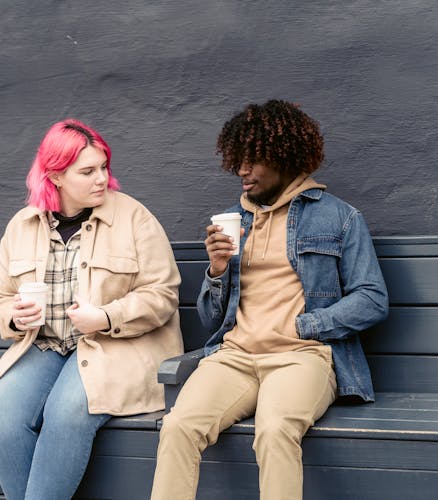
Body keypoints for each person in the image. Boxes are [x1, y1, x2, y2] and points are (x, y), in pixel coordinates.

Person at [151, 100, 389, 500]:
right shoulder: (232, 220)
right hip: (234, 358)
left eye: (253, 160)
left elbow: (372, 299)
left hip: (302, 357)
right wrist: (217, 270)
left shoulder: (339, 217)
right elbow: (211, 320)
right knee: (177, 427)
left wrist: (304, 325)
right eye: (238, 160)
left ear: (285, 156)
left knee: (275, 430)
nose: (242, 171)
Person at [0, 119, 183, 499]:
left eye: (103, 167)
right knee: (2, 410)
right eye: (87, 171)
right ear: (55, 176)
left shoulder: (134, 218)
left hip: (115, 348)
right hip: (45, 347)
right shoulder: (22, 226)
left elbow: (162, 293)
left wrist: (108, 316)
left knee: (67, 414)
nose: (102, 179)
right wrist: (15, 318)